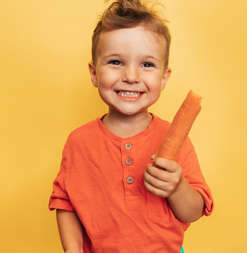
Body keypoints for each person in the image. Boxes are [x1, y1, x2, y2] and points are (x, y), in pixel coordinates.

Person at [48, 1, 214, 252]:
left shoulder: (176, 140)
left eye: (147, 65)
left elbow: (193, 212)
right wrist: (72, 249)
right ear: (94, 73)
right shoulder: (79, 142)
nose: (132, 76)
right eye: (116, 62)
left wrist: (177, 187)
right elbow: (65, 203)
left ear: (164, 77)